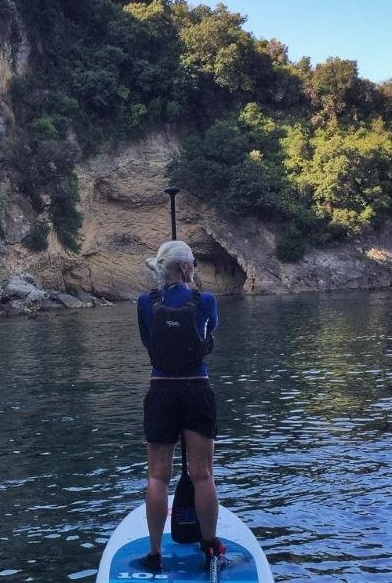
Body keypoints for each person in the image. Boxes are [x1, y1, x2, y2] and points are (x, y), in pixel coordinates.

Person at [136, 240, 223, 572]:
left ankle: (155, 553)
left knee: (158, 477)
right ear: (187, 268)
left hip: (160, 392)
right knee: (202, 475)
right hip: (196, 391)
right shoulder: (207, 301)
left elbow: (147, 341)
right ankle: (210, 546)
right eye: (194, 264)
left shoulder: (146, 303)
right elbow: (210, 332)